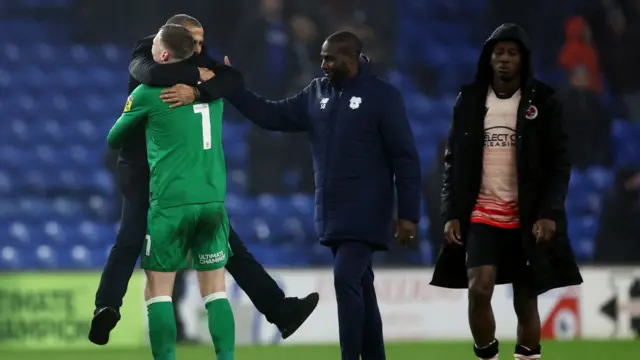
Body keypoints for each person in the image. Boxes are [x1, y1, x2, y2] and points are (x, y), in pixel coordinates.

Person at [90, 14, 318, 346]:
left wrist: (198, 91)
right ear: (172, 39)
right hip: (144, 167)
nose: (199, 48)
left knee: (229, 246)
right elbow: (150, 73)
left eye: (201, 43)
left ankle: (280, 310)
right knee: (131, 238)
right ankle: (107, 306)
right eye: (192, 41)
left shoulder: (195, 59)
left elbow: (233, 78)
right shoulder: (147, 50)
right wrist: (201, 79)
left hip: (181, 172)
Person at [224, 30, 421, 360]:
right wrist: (234, 90)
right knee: (361, 286)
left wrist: (409, 213)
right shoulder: (315, 94)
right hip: (331, 212)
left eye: (330, 58)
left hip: (369, 210)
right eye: (322, 57)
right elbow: (270, 115)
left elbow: (405, 157)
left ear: (352, 58)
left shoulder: (383, 96)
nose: (323, 63)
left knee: (345, 277)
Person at [429, 23, 583, 360]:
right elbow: (452, 161)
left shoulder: (544, 100)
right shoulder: (468, 99)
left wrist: (548, 212)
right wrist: (451, 213)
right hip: (483, 212)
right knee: (478, 289)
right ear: (488, 58)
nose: (504, 59)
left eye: (512, 53)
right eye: (499, 52)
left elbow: (560, 163)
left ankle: (528, 356)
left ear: (523, 60)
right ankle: (488, 355)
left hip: (527, 216)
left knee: (525, 299)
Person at [107, 24, 234, 359]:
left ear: (164, 55)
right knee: (216, 291)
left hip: (170, 202)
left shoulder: (149, 93)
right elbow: (232, 79)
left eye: (155, 49)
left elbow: (113, 139)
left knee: (158, 290)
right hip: (213, 201)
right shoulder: (214, 86)